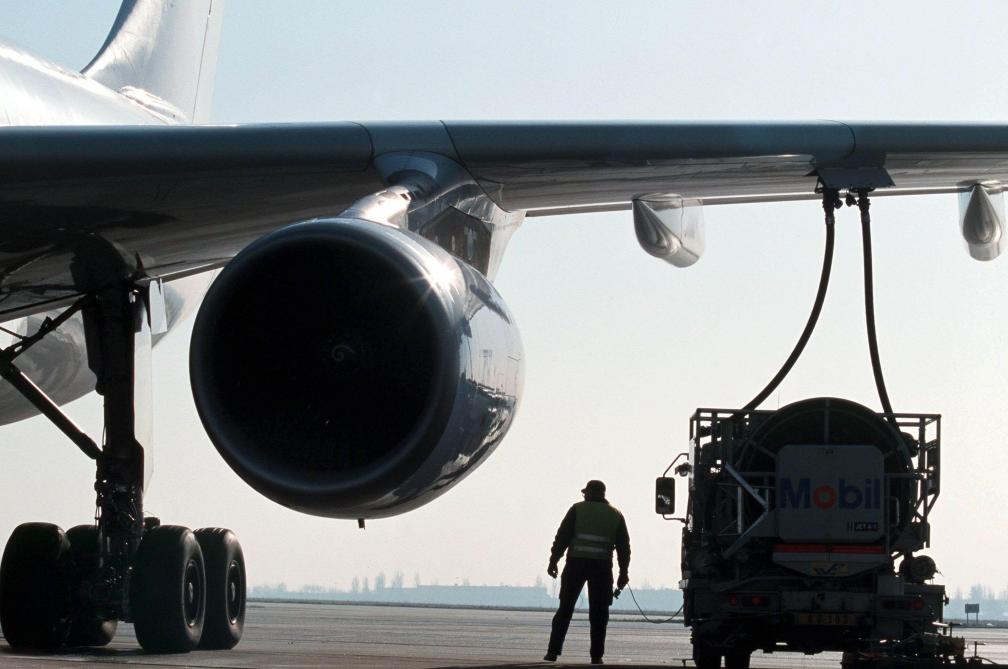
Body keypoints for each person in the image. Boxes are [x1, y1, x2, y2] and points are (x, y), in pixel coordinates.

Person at [543, 479, 630, 665]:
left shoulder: (577, 509)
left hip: (576, 564)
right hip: (602, 567)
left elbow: (562, 537)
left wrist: (553, 560)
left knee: (565, 609)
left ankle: (552, 652)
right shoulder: (615, 514)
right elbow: (624, 547)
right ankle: (596, 656)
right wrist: (624, 572)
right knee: (599, 614)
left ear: (587, 493)